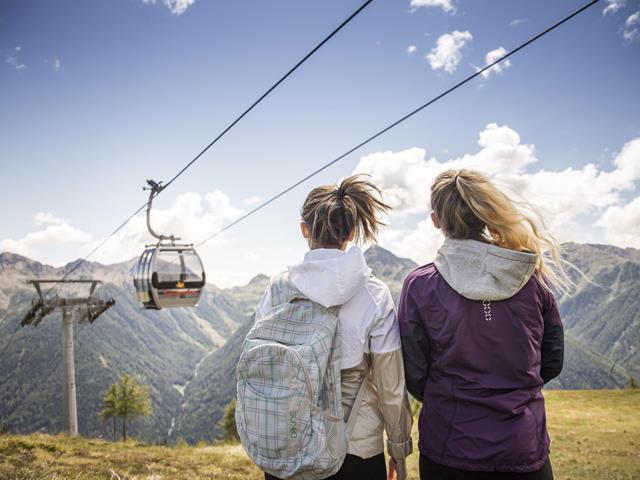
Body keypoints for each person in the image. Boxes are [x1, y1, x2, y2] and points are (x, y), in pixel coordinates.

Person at [399, 169, 567, 480]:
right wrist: (514, 390)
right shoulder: (531, 279)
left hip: (449, 448)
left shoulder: (420, 286)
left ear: (436, 220)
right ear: (485, 214)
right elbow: (552, 359)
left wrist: (451, 396)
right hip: (522, 447)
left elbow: (415, 372)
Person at [254, 174, 413, 480]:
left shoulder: (276, 290)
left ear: (304, 230)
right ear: (352, 232)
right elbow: (391, 386)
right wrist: (398, 447)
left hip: (288, 446)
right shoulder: (374, 294)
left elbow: (262, 369)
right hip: (357, 450)